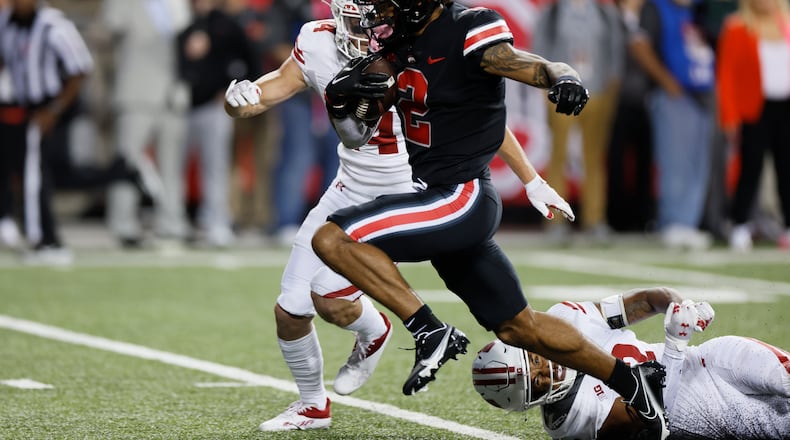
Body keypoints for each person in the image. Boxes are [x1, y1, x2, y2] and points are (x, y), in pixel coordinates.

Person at [308, 1, 669, 438]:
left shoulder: (468, 26)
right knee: (520, 328)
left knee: (333, 238)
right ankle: (634, 385)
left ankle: (430, 331)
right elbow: (357, 133)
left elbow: (517, 62)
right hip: (441, 197)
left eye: (386, 3)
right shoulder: (400, 44)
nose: (378, 12)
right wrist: (342, 102)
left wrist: (561, 74)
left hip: (462, 195)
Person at [225, 0, 577, 431]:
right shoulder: (316, 42)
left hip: (406, 188)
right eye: (358, 16)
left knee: (328, 296)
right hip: (348, 186)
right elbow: (271, 89)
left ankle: (408, 329)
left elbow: (480, 121)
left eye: (376, 12)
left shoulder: (409, 47)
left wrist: (531, 179)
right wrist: (239, 99)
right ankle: (315, 402)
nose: (368, 24)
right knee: (290, 309)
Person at [473, 288, 790, 439]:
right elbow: (655, 415)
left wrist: (681, 307)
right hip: (701, 414)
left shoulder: (562, 318)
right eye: (538, 382)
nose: (547, 370)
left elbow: (649, 300)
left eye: (533, 359)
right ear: (530, 403)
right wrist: (675, 343)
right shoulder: (570, 421)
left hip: (711, 358)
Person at [0, 0, 93, 264]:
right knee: (32, 173)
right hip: (22, 108)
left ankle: (46, 240)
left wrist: (54, 108)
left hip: (52, 106)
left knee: (37, 175)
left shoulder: (54, 24)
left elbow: (81, 68)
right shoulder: (7, 24)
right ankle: (40, 236)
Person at [100, 0, 192, 248]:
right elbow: (109, 28)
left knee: (172, 165)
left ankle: (172, 223)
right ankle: (123, 224)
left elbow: (186, 40)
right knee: (127, 163)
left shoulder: (179, 3)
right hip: (136, 90)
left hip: (173, 94)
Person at [533, 0, 624, 241]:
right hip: (561, 94)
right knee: (558, 156)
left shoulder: (606, 14)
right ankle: (555, 221)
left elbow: (615, 55)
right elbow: (539, 53)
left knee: (594, 157)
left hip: (598, 92)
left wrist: (611, 92)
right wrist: (547, 90)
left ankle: (595, 219)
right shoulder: (551, 13)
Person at [629, 0, 716, 250]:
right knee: (675, 160)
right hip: (672, 95)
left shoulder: (697, 9)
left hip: (702, 94)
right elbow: (639, 45)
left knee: (697, 163)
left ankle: (687, 223)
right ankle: (672, 222)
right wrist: (667, 82)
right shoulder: (655, 8)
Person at [178, 0, 256, 248]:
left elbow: (249, 62)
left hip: (214, 107)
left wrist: (229, 90)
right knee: (175, 168)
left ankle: (216, 222)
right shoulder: (182, 22)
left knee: (215, 167)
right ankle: (176, 221)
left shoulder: (226, 25)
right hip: (180, 107)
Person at [716, 0, 790, 251]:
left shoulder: (787, 25)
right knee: (750, 168)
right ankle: (740, 224)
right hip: (754, 110)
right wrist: (729, 116)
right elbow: (726, 75)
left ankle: (787, 226)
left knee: (786, 169)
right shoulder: (737, 27)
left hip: (785, 107)